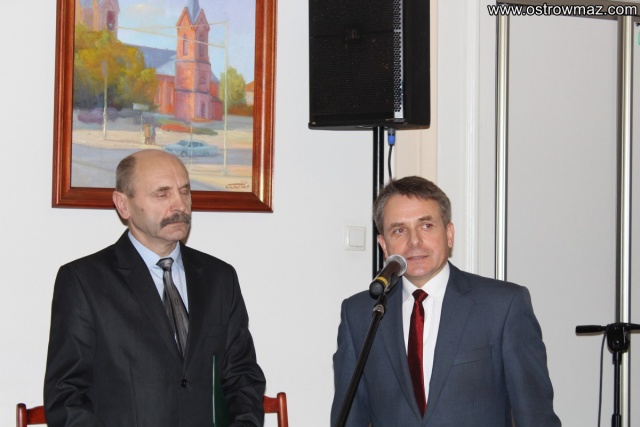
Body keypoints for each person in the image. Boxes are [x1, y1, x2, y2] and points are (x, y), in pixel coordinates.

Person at [44, 150, 266, 426]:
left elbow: (242, 377)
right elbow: (66, 395)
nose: (180, 205)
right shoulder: (84, 281)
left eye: (184, 191)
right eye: (162, 194)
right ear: (123, 204)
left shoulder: (220, 278)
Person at [331, 176, 560, 426]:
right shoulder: (360, 314)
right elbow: (348, 417)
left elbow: (536, 417)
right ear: (384, 246)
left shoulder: (502, 306)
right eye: (399, 230)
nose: (414, 241)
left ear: (449, 234)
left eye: (426, 226)